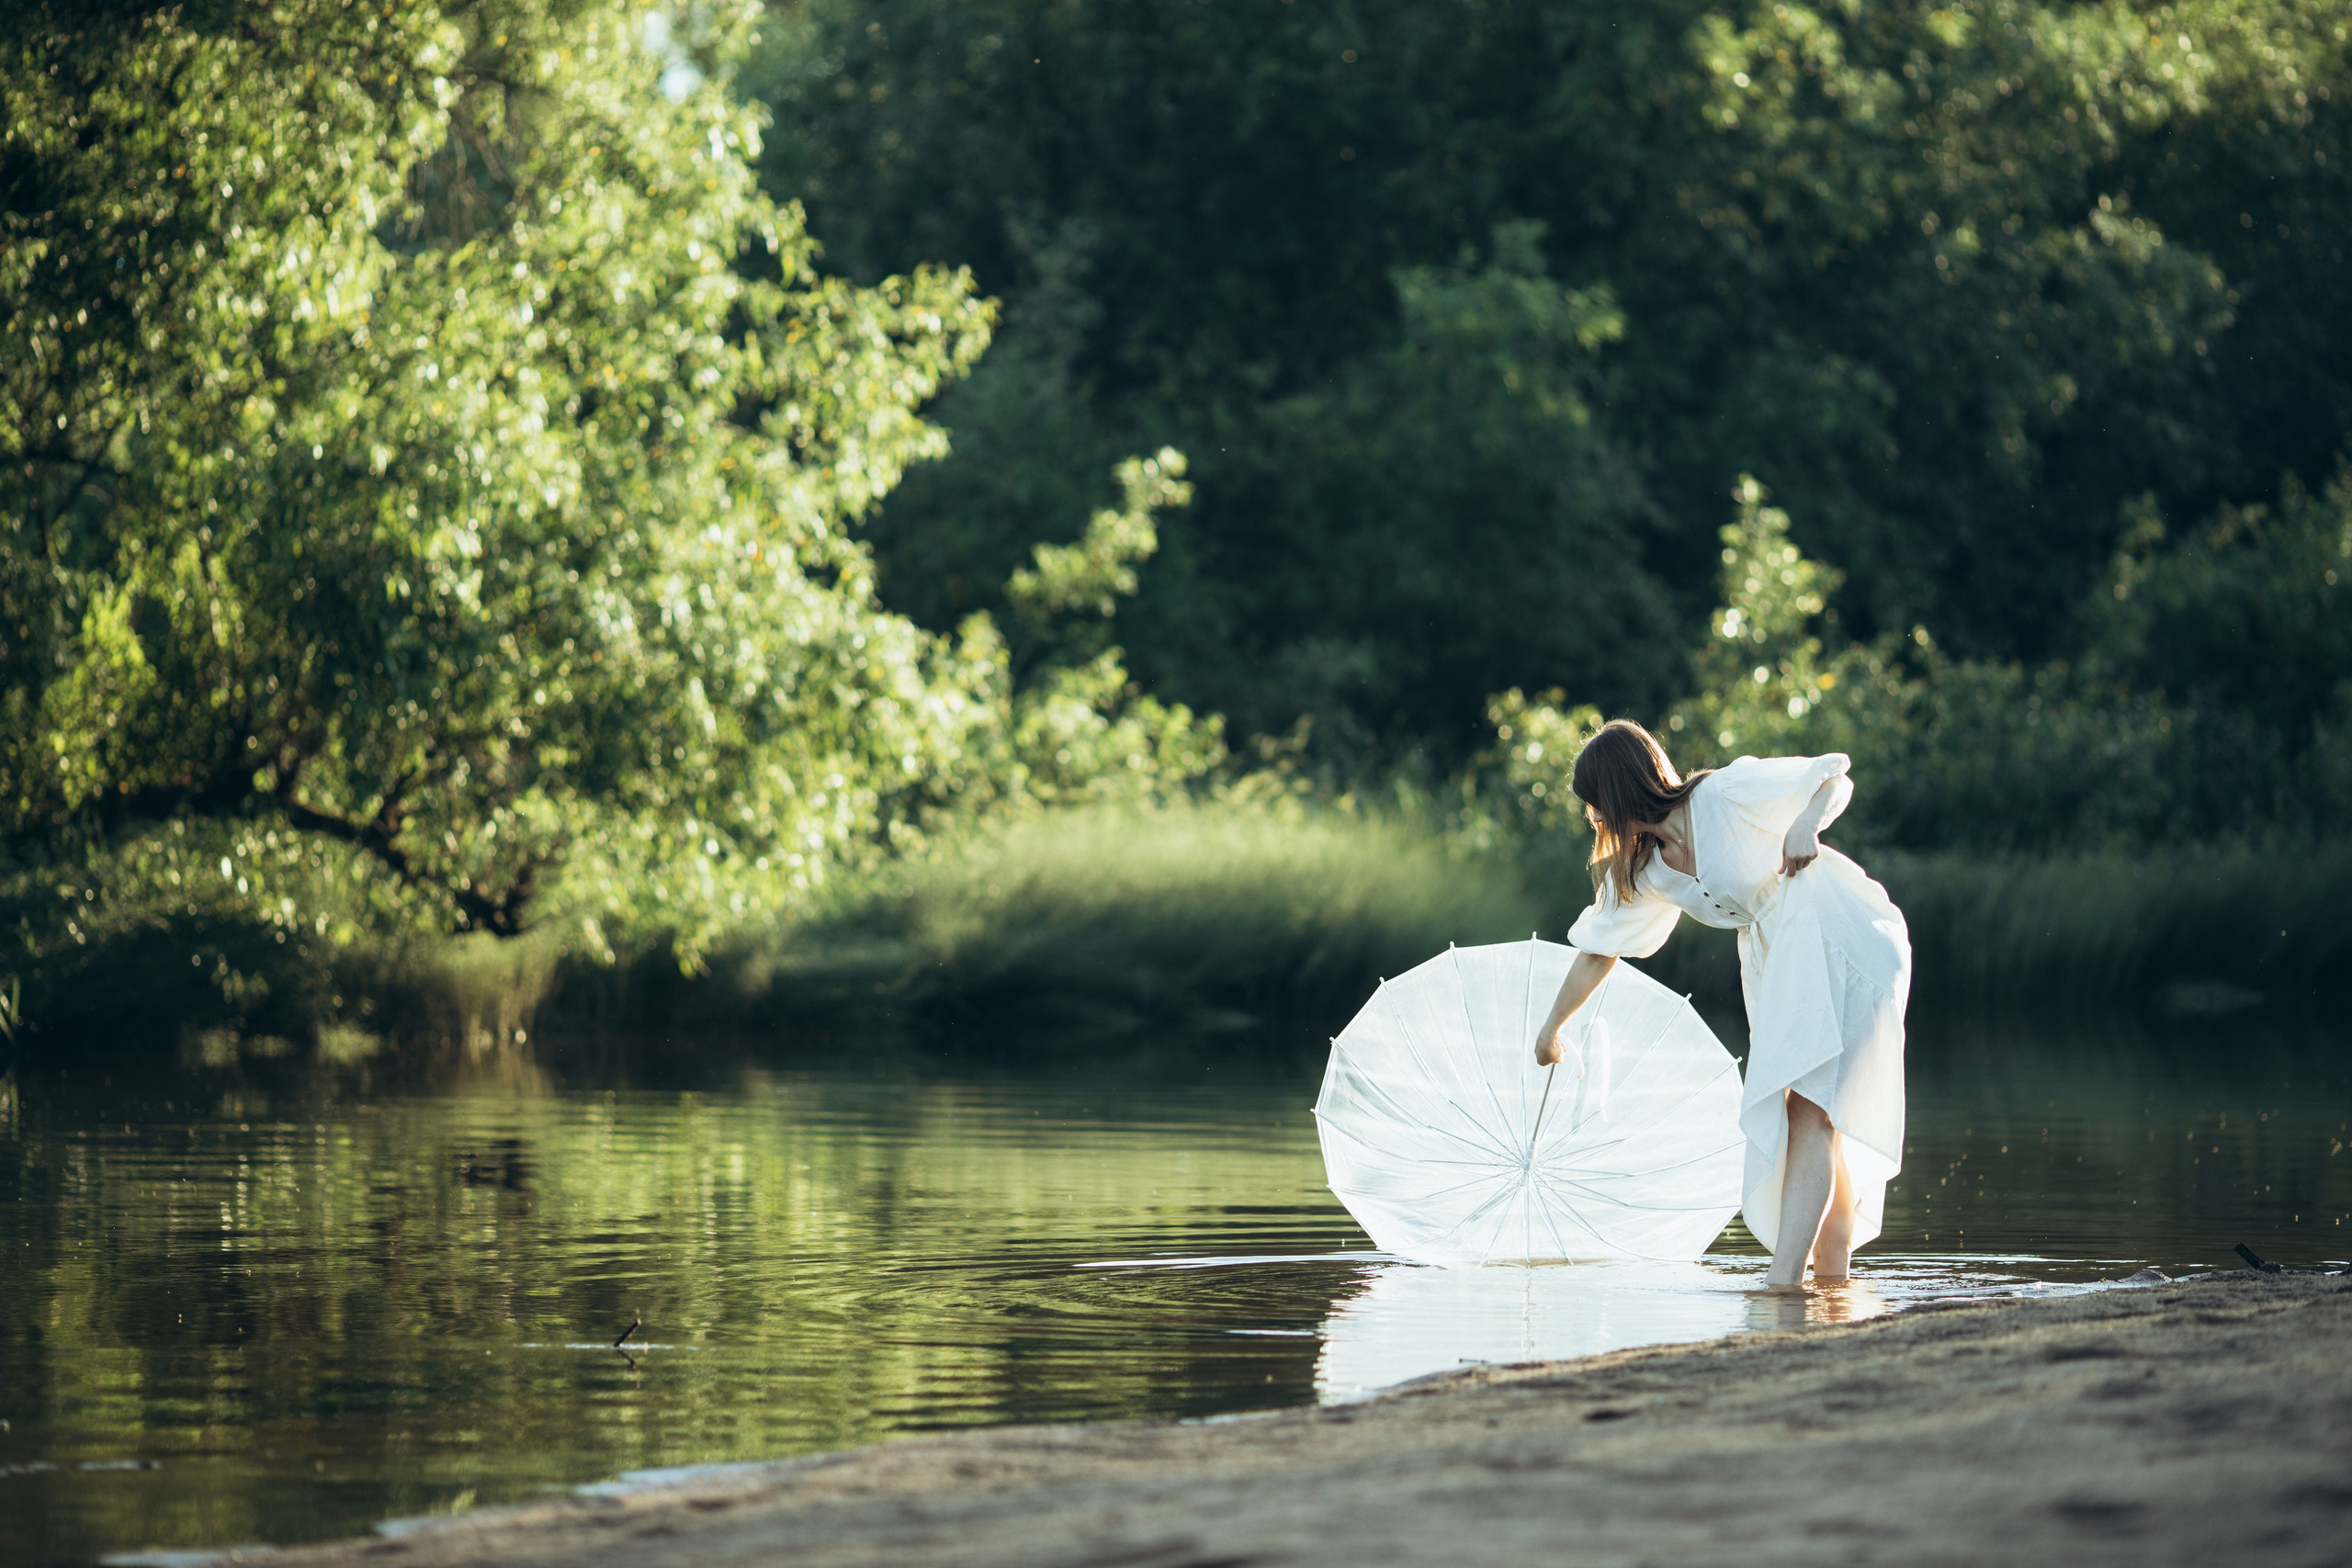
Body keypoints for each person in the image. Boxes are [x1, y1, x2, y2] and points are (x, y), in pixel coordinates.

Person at [1531, 719, 1911, 1289]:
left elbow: (1834, 776)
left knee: (1810, 1109)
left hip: (1834, 931)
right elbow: (1598, 950)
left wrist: (1806, 823)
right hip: (1781, 963)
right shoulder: (1646, 868)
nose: (1593, 818)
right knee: (1817, 1112)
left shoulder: (1723, 794)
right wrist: (1551, 1029)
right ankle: (1833, 1286)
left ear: (1617, 790)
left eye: (1595, 803)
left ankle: (1783, 1284)